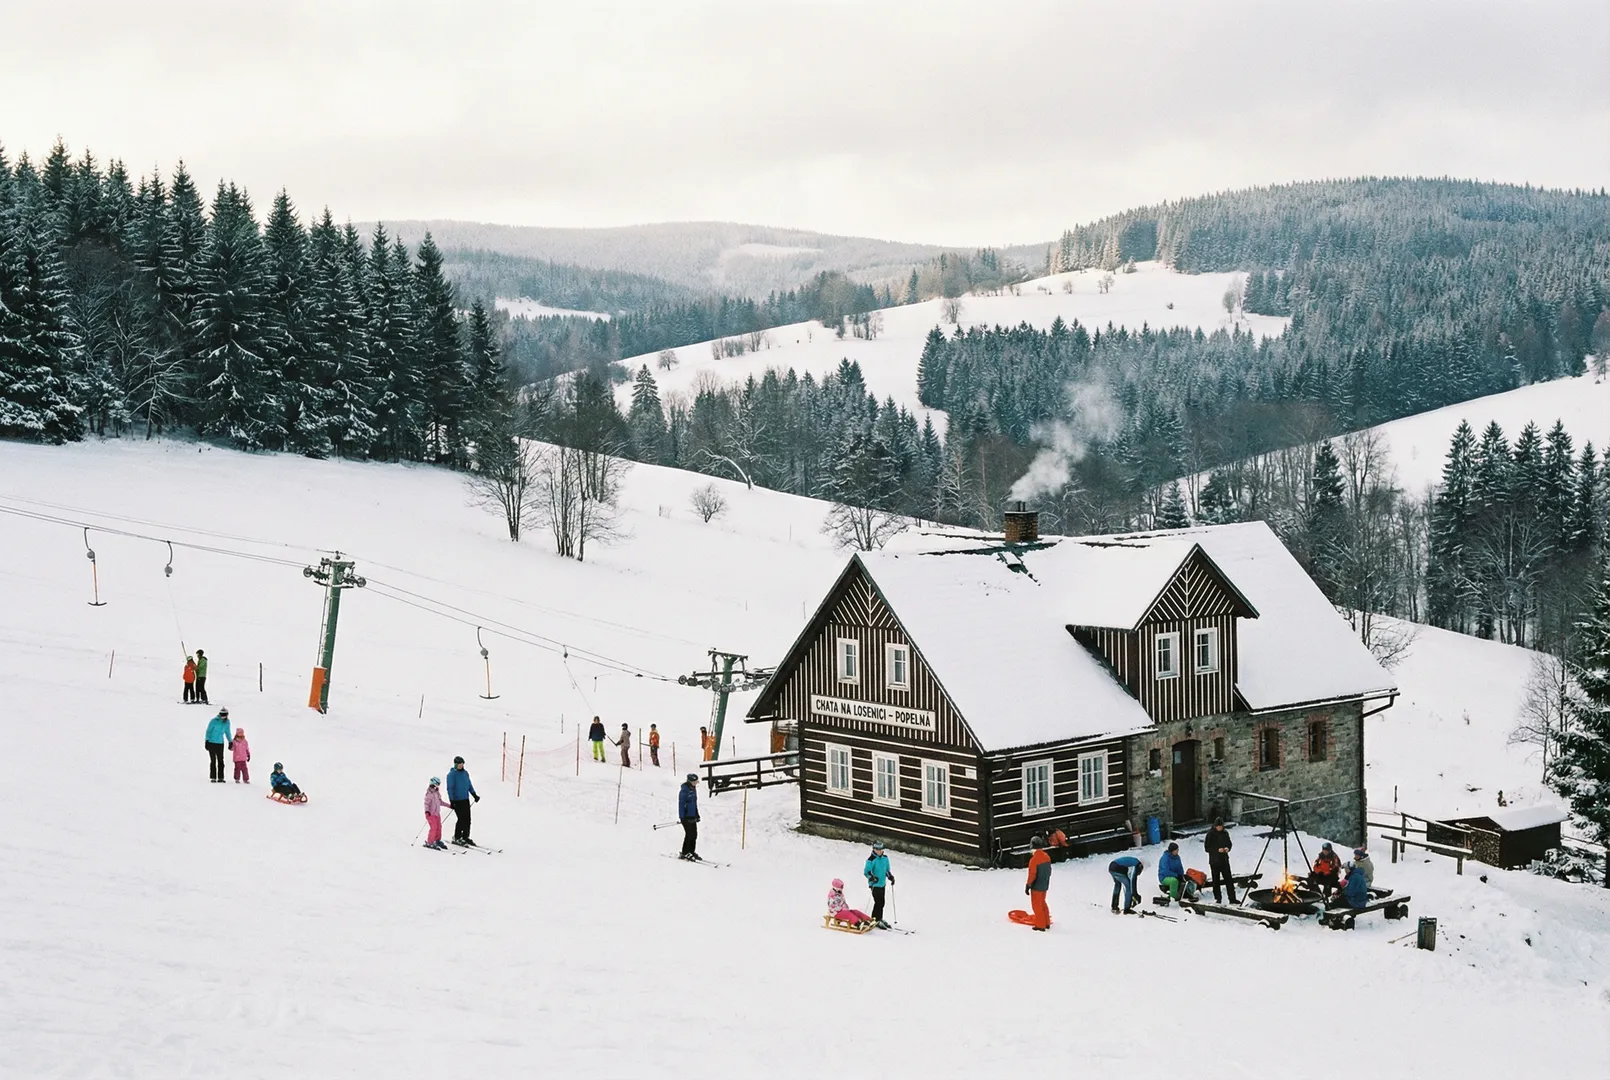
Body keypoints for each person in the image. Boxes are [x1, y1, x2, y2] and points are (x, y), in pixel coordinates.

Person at [446, 756, 480, 846]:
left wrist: (474, 795)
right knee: (461, 819)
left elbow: (469, 785)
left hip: (465, 799)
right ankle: (457, 837)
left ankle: (465, 837)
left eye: (462, 764)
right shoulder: (451, 775)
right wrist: (452, 800)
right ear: (456, 764)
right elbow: (450, 788)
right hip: (457, 801)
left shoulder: (465, 773)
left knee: (468, 819)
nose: (461, 766)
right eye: (459, 764)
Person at [1204, 818, 1237, 903]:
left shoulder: (1225, 833)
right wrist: (1217, 850)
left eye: (1221, 826)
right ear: (1215, 826)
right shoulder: (1210, 834)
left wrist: (1227, 848)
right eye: (1218, 827)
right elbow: (1207, 848)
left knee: (1229, 879)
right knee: (1216, 881)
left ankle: (1232, 898)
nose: (1220, 828)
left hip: (1224, 860)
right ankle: (1218, 898)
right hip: (1214, 861)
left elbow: (1229, 843)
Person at [864, 841, 895, 928]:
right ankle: (875, 919)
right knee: (878, 902)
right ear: (873, 849)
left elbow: (887, 870)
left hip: (882, 884)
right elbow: (866, 872)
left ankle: (879, 918)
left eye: (880, 849)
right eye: (877, 849)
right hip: (875, 885)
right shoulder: (871, 860)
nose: (879, 851)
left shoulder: (885, 858)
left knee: (882, 902)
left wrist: (890, 877)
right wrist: (872, 877)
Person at [1025, 836, 1053, 930]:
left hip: (1037, 886)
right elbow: (1049, 871)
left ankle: (1040, 925)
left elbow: (1032, 874)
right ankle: (1047, 922)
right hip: (1045, 884)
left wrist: (1028, 885)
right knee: (1043, 903)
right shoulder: (1047, 856)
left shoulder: (1034, 860)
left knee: (1037, 906)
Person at [204, 707, 232, 783]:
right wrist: (206, 741)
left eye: (225, 715)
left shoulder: (227, 722)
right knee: (213, 760)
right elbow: (208, 731)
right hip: (212, 743)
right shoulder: (213, 721)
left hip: (220, 744)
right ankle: (213, 777)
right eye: (222, 715)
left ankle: (221, 777)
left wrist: (230, 741)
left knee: (221, 761)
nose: (224, 717)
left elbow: (227, 732)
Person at [678, 773, 701, 860]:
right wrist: (682, 817)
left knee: (694, 834)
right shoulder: (684, 790)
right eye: (694, 782)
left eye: (696, 782)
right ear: (690, 781)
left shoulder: (693, 789)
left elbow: (694, 803)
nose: (696, 783)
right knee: (689, 834)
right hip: (686, 817)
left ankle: (691, 851)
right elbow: (681, 804)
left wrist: (697, 814)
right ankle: (685, 852)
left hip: (692, 816)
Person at [422, 777, 449, 850]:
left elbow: (440, 802)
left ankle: (437, 840)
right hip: (431, 814)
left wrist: (449, 805)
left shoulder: (437, 793)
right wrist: (427, 811)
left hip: (437, 814)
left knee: (439, 827)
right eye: (437, 784)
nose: (437, 786)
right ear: (433, 784)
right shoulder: (429, 794)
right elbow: (426, 804)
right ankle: (430, 842)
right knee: (433, 828)